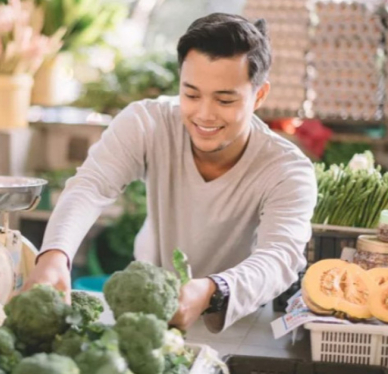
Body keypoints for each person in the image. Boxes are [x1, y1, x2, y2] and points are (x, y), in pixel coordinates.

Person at [26, 12, 318, 333]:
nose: (204, 115)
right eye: (191, 94)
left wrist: (210, 291)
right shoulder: (146, 122)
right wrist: (55, 253)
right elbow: (92, 186)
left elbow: (280, 256)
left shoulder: (288, 171)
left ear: (259, 95)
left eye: (224, 99)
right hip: (150, 316)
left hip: (239, 321)